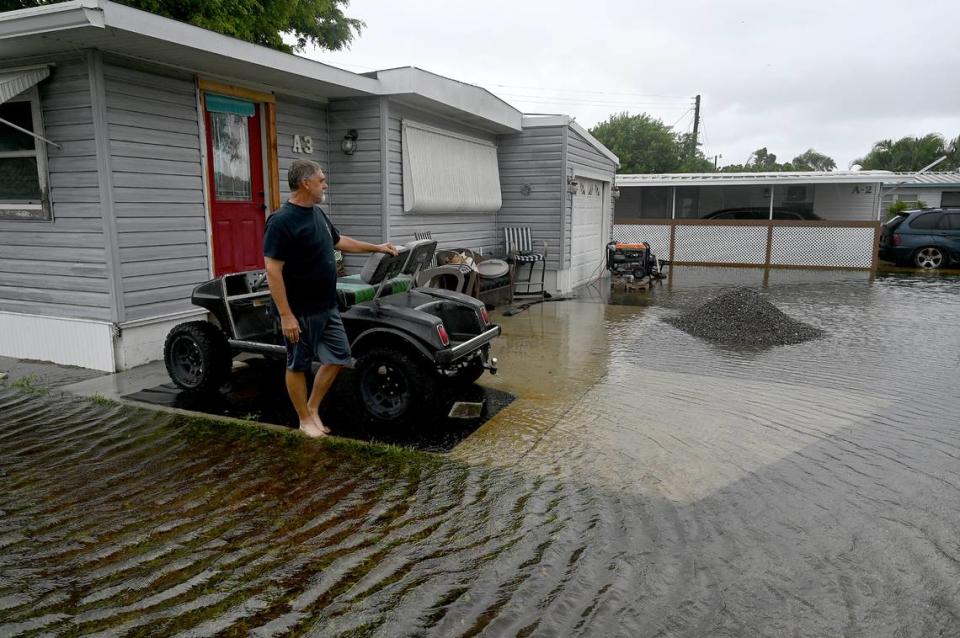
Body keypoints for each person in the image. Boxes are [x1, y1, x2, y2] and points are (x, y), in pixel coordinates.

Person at [263, 160, 398, 438]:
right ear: (306, 183)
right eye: (321, 180)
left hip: (326, 306)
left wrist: (377, 247)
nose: (325, 184)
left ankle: (313, 407)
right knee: (297, 363)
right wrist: (286, 315)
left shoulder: (317, 214)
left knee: (339, 356)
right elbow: (272, 270)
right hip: (299, 312)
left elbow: (339, 241)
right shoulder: (281, 221)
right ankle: (304, 419)